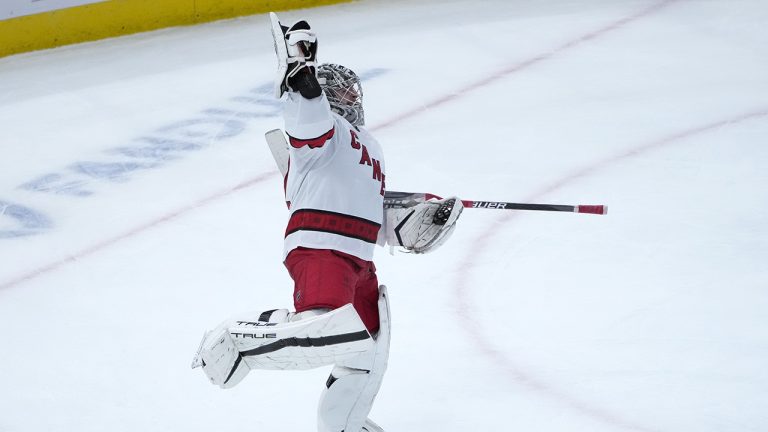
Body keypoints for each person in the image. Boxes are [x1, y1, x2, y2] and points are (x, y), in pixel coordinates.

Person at [191, 13, 463, 432]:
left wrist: (421, 216)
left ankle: (344, 427)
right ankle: (238, 338)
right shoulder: (324, 132)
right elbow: (307, 124)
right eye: (344, 94)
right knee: (321, 331)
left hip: (359, 259)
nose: (354, 99)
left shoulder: (369, 147)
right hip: (322, 249)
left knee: (365, 355)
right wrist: (302, 80)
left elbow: (376, 210)